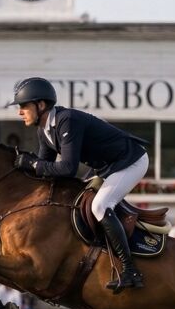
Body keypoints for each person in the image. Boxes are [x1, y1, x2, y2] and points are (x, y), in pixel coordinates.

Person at [8, 77, 150, 292]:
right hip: (107, 167)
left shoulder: (67, 120)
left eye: (24, 106)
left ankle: (130, 270)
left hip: (131, 161)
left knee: (100, 206)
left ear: (41, 105)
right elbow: (45, 169)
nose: (20, 112)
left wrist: (33, 163)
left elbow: (66, 168)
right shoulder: (44, 130)